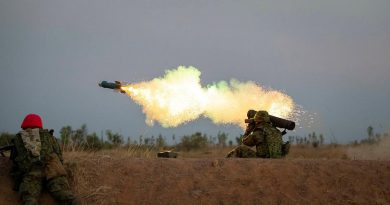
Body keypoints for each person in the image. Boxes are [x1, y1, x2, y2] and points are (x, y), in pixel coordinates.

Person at [11, 113, 79, 205]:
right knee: (67, 196)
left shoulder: (18, 139)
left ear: (24, 125)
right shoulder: (49, 136)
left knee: (29, 199)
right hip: (53, 171)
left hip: (32, 174)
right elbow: (59, 158)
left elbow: (15, 164)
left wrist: (18, 181)